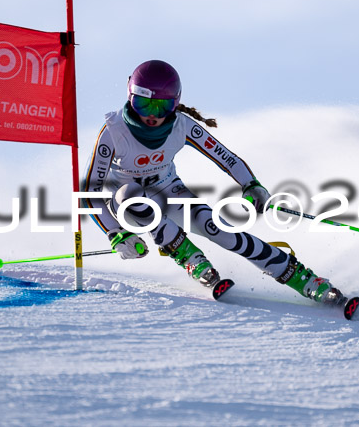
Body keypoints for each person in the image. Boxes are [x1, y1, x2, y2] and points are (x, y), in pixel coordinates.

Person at [81, 60, 344, 304]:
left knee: (221, 231)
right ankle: (191, 258)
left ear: (175, 104)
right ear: (130, 98)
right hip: (126, 203)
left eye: (161, 107)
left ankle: (304, 279)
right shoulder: (114, 131)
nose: (152, 115)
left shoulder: (181, 126)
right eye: (143, 105)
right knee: (130, 194)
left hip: (168, 191)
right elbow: (90, 191)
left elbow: (227, 158)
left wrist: (251, 185)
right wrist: (115, 233)